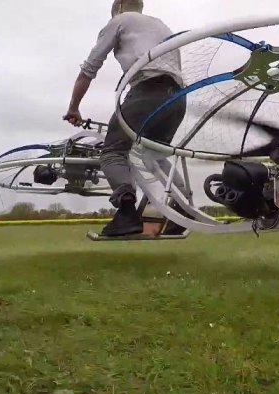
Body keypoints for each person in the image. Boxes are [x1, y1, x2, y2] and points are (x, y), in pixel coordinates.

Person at [63, 0, 186, 237]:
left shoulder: (118, 21)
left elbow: (89, 69)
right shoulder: (160, 25)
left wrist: (74, 107)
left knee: (113, 152)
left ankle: (127, 214)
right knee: (155, 155)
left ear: (119, 6)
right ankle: (182, 210)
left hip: (147, 91)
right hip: (178, 97)